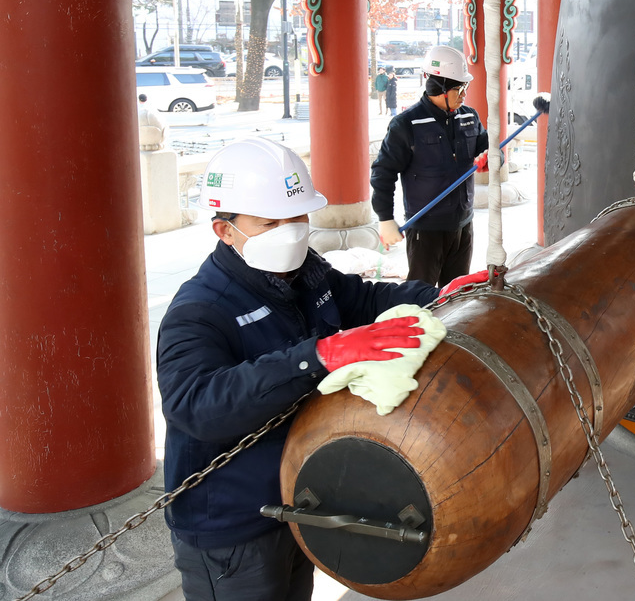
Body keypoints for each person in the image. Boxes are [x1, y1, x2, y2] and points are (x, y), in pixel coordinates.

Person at [157, 138, 483, 601]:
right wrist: (321, 355)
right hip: (233, 525)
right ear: (224, 230)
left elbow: (365, 299)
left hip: (299, 499)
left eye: (297, 217)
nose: (289, 232)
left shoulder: (304, 270)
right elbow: (196, 406)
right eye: (270, 222)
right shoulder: (200, 310)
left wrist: (443, 293)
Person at [371, 45, 491, 287]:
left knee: (456, 295)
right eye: (459, 88)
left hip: (462, 225)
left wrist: (490, 156)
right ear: (439, 87)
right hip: (425, 230)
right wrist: (385, 219)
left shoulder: (469, 117)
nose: (464, 94)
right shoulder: (406, 124)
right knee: (422, 298)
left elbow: (486, 147)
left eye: (465, 87)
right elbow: (383, 173)